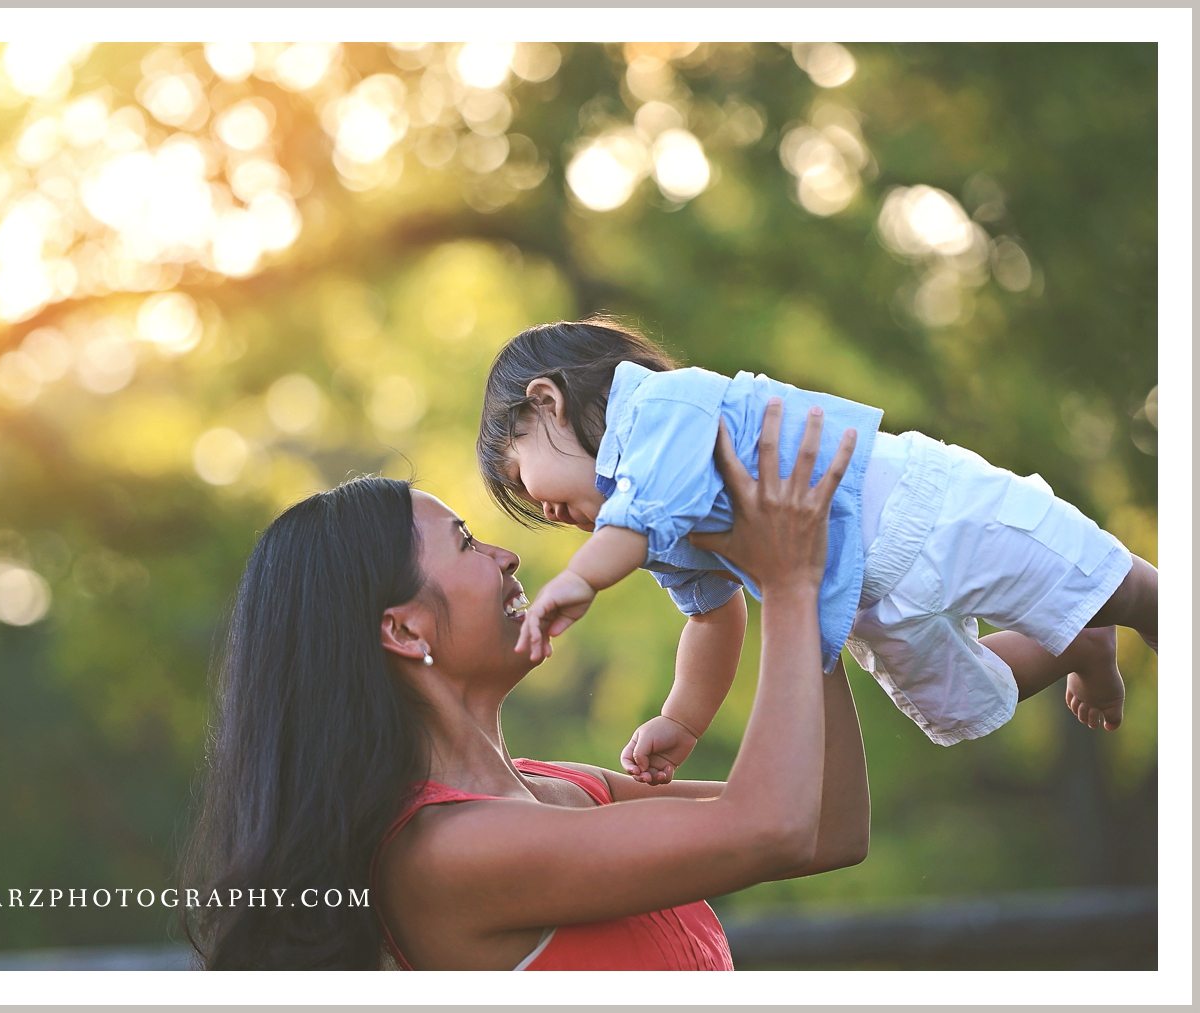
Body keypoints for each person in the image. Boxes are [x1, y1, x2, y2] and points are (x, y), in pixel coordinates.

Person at [180, 405, 867, 970]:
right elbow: (770, 826)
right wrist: (787, 584)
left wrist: (807, 595)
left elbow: (825, 827)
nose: (505, 554)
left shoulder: (566, 789)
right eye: (466, 542)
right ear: (406, 631)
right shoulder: (445, 852)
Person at [476, 317, 1157, 784]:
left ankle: (1129, 605)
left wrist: (580, 581)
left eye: (522, 480)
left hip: (924, 510)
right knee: (963, 701)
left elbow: (626, 527)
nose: (546, 510)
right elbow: (713, 616)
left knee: (1106, 579)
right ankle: (1078, 641)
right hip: (861, 597)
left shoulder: (662, 409)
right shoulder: (648, 524)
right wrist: (683, 717)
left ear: (548, 403)